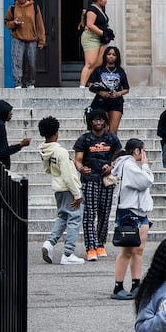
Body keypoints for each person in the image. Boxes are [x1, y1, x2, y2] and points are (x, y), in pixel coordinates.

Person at [74, 109, 121, 263]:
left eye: (101, 120)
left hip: (106, 180)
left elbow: (119, 155)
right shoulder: (85, 139)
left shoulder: (112, 139)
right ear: (91, 122)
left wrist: (111, 165)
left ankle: (100, 244)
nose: (98, 122)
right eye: (95, 120)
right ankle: (90, 247)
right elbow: (78, 159)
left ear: (105, 122)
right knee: (89, 214)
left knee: (104, 214)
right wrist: (81, 168)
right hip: (90, 179)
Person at [110, 138, 154, 301]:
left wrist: (143, 166)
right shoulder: (128, 165)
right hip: (129, 212)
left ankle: (136, 285)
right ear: (136, 151)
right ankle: (118, 286)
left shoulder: (133, 165)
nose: (145, 154)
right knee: (126, 251)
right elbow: (146, 181)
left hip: (140, 212)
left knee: (139, 250)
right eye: (143, 150)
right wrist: (145, 165)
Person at [37, 115, 85, 266]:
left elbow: (47, 169)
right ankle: (68, 253)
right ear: (56, 132)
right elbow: (69, 176)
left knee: (63, 217)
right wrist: (77, 194)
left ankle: (49, 243)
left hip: (58, 189)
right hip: (68, 189)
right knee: (75, 218)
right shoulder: (61, 152)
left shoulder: (44, 149)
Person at [4, 0, 46, 89]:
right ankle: (18, 83)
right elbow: (6, 22)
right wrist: (14, 23)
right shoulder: (13, 8)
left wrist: (42, 40)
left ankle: (30, 82)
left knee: (31, 62)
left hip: (31, 39)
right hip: (18, 38)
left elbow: (39, 24)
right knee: (17, 61)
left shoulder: (34, 7)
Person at [88, 45, 130, 134]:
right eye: (109, 54)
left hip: (116, 102)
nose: (111, 56)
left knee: (113, 131)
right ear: (105, 56)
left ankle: (113, 147)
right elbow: (90, 85)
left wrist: (118, 93)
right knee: (103, 130)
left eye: (114, 55)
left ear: (117, 57)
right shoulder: (99, 70)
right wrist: (100, 92)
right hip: (101, 102)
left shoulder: (121, 71)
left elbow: (126, 89)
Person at [78, 0, 111, 88]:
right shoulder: (92, 10)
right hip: (91, 38)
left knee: (99, 62)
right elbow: (90, 24)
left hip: (100, 39)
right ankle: (82, 86)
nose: (106, 1)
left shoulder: (100, 10)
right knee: (90, 63)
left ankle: (91, 82)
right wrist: (103, 33)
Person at [0, 98, 29, 170]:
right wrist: (20, 145)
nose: (11, 113)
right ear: (3, 112)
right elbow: (3, 152)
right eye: (9, 111)